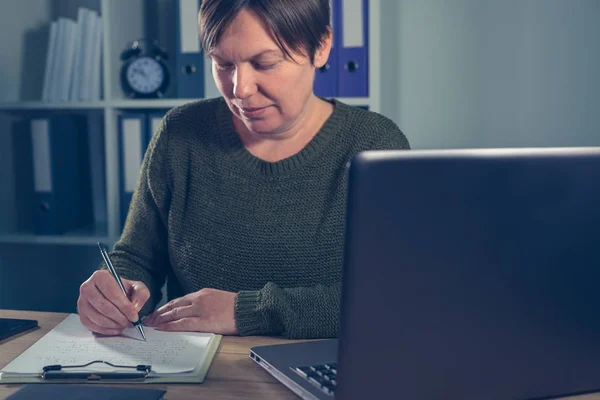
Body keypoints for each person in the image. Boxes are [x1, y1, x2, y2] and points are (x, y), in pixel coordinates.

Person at [77, 0, 410, 339]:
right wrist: (114, 294)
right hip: (195, 373)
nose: (240, 89)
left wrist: (247, 312)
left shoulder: (374, 144)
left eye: (264, 63)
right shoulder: (180, 134)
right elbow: (137, 258)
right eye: (222, 64)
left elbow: (395, 297)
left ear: (321, 47)